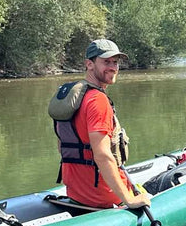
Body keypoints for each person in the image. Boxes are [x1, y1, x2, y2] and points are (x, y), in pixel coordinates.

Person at [52, 39, 151, 210]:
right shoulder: (97, 100)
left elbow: (62, 145)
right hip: (104, 198)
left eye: (115, 62)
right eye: (106, 62)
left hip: (76, 194)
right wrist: (129, 200)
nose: (113, 67)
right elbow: (103, 155)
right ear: (89, 64)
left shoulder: (71, 98)